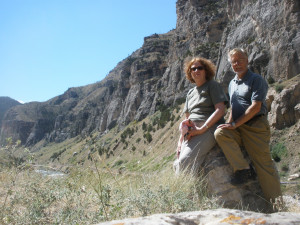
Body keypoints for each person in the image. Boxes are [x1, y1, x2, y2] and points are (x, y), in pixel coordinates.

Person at [214, 48, 282, 203]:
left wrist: (235, 124)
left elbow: (256, 107)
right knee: (220, 133)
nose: (237, 64)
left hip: (255, 126)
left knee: (264, 165)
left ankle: (277, 206)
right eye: (233, 62)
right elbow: (233, 106)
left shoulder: (256, 79)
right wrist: (229, 124)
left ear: (247, 60)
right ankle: (243, 169)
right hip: (238, 126)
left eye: (240, 60)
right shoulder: (232, 83)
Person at [173, 57, 228, 175]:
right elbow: (187, 119)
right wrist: (180, 142)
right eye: (193, 69)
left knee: (184, 162)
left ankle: (181, 193)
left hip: (208, 129)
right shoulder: (190, 93)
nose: (196, 71)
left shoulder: (212, 85)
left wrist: (201, 129)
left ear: (206, 70)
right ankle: (190, 192)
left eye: (200, 68)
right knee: (177, 164)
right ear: (190, 73)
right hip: (191, 132)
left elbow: (220, 110)